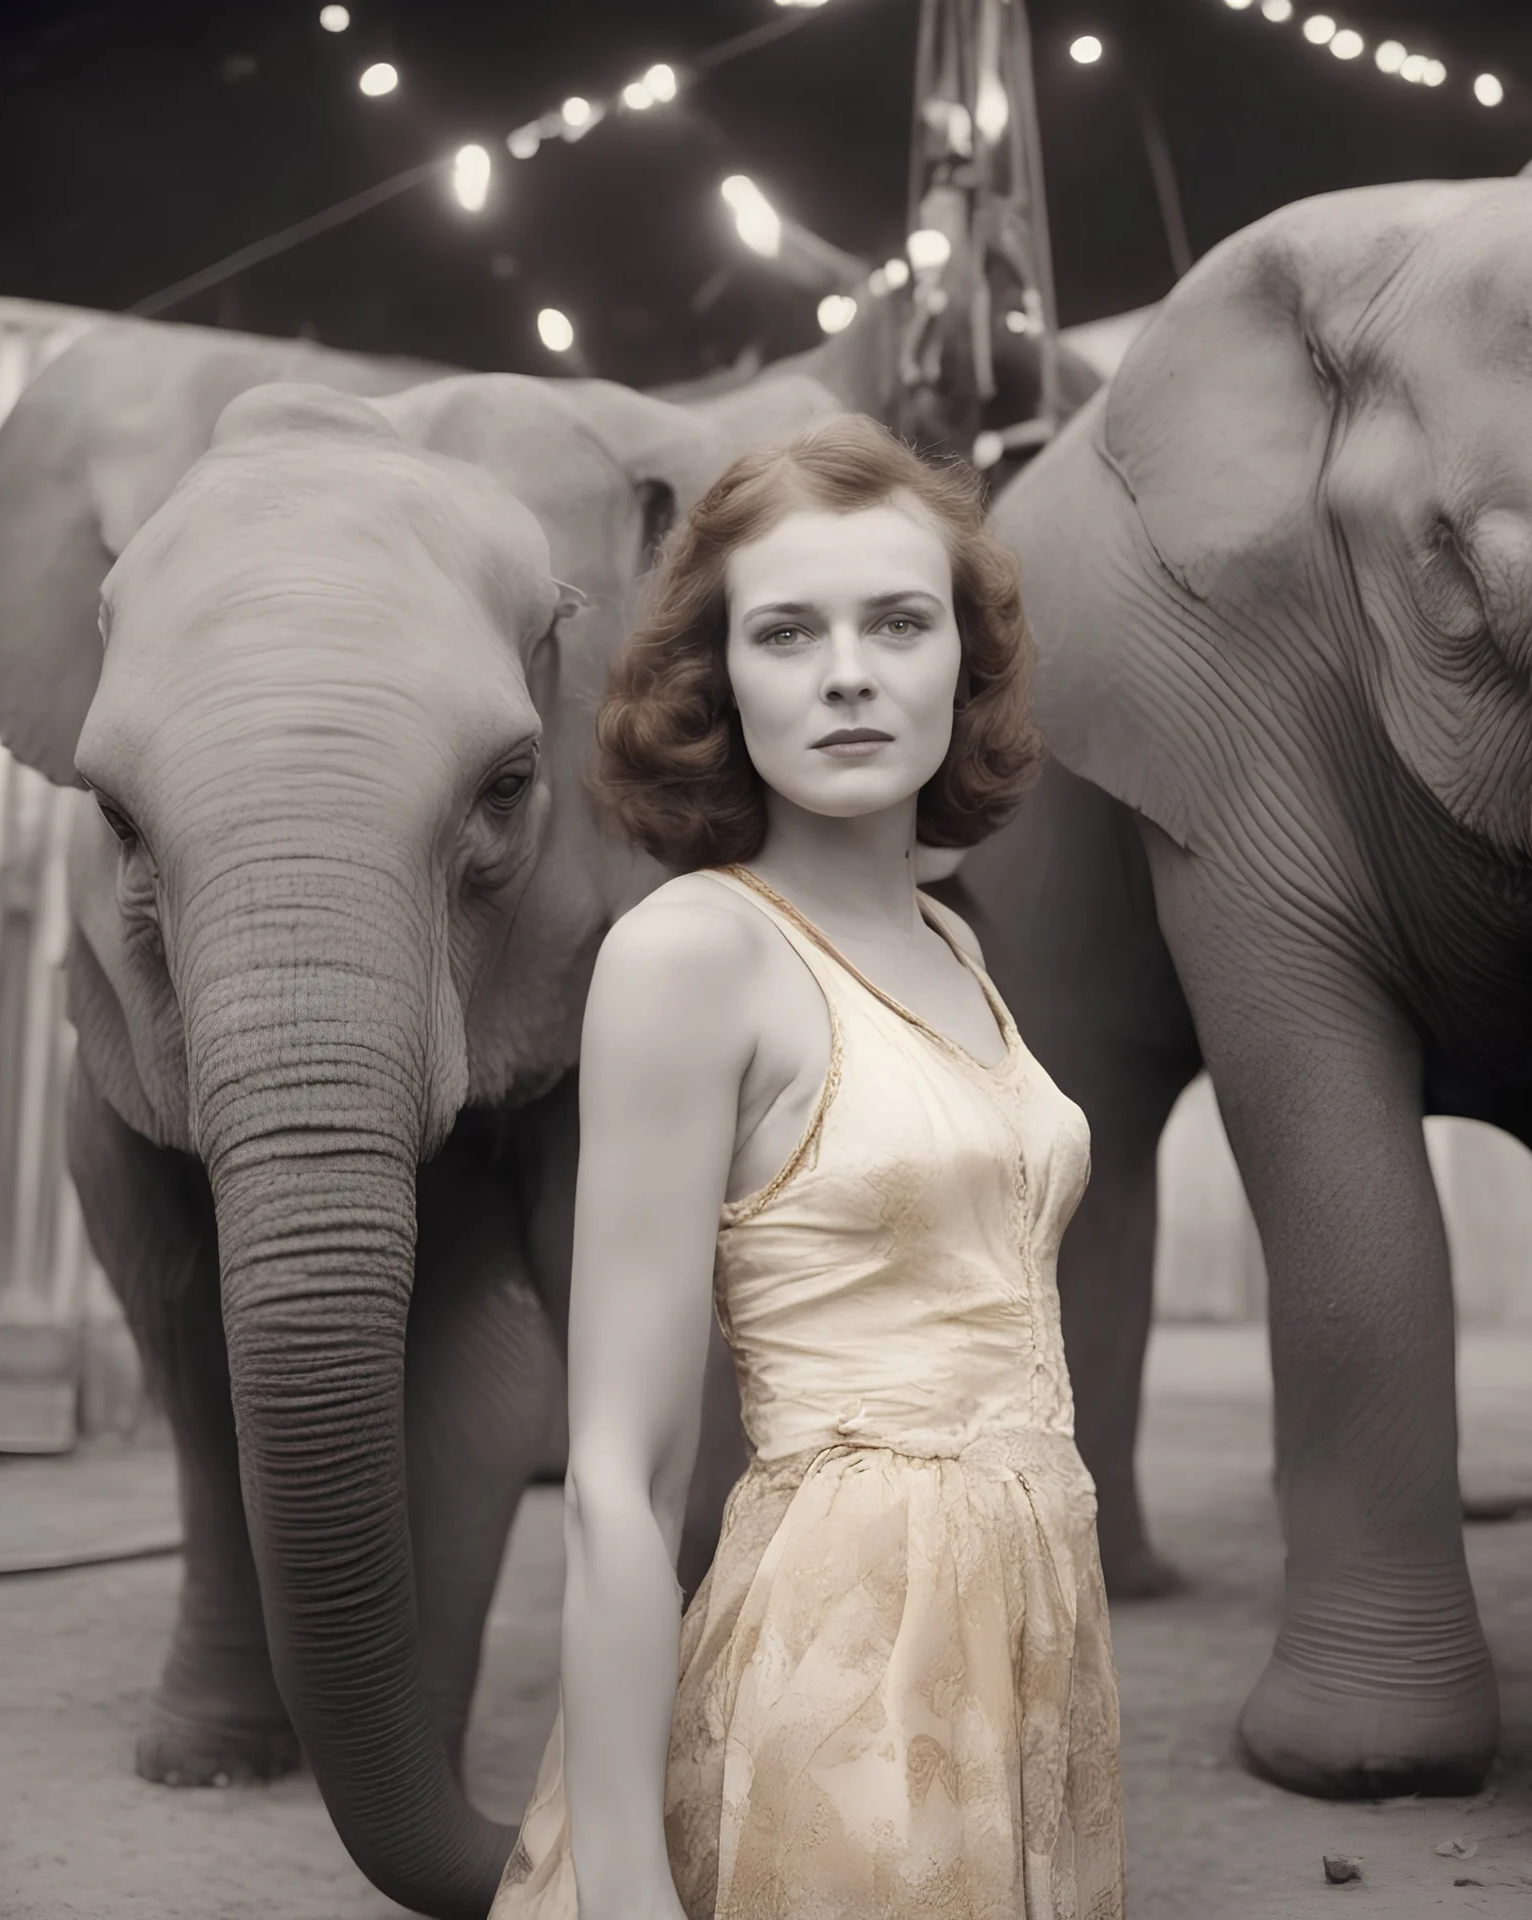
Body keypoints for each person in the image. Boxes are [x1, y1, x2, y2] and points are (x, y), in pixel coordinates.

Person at [490, 413, 1124, 1920]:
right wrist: (624, 1887)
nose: (848, 670)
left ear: (961, 663)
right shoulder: (692, 955)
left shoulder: (957, 940)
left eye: (898, 621)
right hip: (840, 1657)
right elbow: (620, 1480)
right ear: (722, 681)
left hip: (1034, 1626)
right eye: (788, 631)